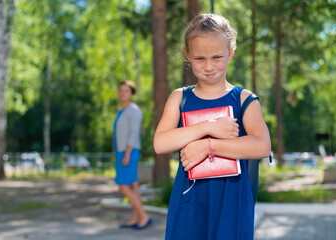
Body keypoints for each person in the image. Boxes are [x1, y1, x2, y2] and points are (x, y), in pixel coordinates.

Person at [153, 14, 271, 239]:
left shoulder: (244, 99)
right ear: (187, 54)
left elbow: (262, 146)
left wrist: (209, 147)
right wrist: (208, 126)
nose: (209, 66)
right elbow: (160, 143)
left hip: (231, 202)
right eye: (199, 58)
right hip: (189, 203)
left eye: (217, 57)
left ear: (231, 52)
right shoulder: (180, 98)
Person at [113, 80, 152, 230]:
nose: (122, 93)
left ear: (131, 94)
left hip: (128, 152)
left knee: (123, 186)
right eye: (120, 90)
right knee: (132, 185)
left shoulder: (134, 111)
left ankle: (144, 216)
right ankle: (136, 218)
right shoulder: (122, 111)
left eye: (126, 91)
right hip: (122, 152)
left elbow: (134, 133)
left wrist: (127, 153)